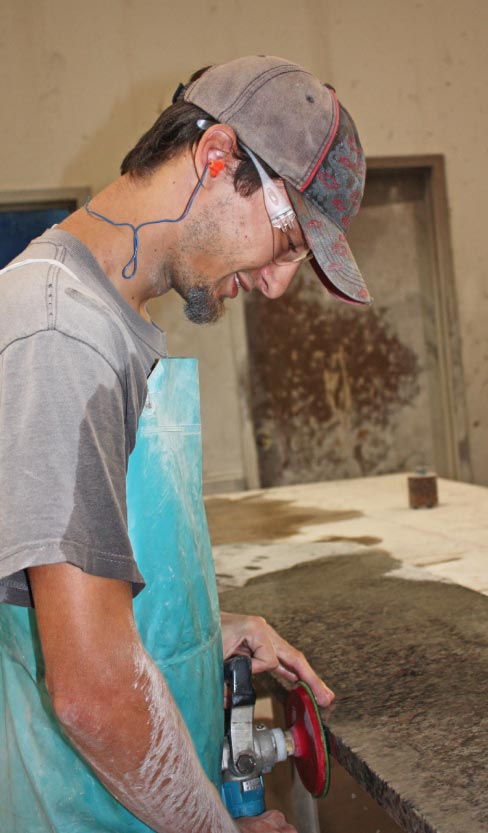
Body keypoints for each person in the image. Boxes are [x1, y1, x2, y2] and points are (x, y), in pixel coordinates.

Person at [0, 56, 371, 833]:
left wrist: (197, 632)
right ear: (215, 158)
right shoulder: (62, 330)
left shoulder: (109, 319)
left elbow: (60, 606)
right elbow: (92, 688)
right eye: (286, 238)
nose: (277, 284)